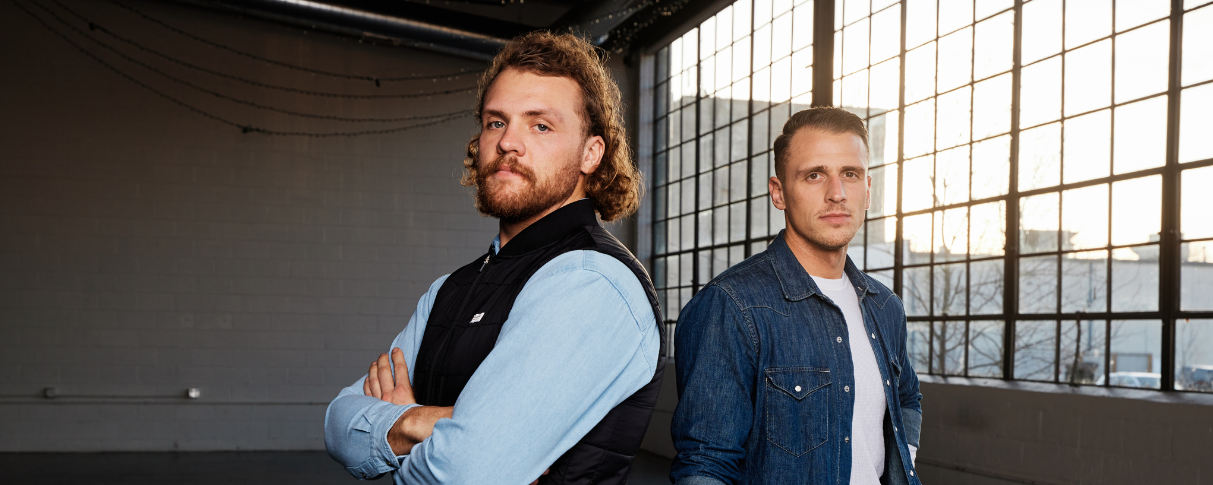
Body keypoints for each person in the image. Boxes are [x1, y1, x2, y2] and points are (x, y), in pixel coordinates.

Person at [323, 32, 665, 484]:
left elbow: (466, 472)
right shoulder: (448, 290)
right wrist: (417, 421)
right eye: (495, 122)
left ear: (590, 153)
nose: (509, 143)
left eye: (540, 125)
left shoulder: (593, 282)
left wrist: (403, 429)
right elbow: (337, 422)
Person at [669, 107, 922, 485]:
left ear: (868, 190)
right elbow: (706, 466)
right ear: (779, 192)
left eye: (850, 175)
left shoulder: (885, 307)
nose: (836, 194)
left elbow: (907, 399)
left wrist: (907, 458)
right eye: (814, 175)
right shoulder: (733, 306)